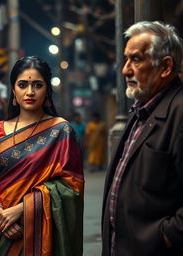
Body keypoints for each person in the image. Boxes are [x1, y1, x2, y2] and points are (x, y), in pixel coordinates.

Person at [0, 56, 84, 256]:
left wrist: (21, 210)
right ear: (13, 91)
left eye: (37, 85)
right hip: (0, 228)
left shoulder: (61, 131)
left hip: (41, 228)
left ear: (47, 92)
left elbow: (72, 186)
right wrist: (0, 215)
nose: (30, 92)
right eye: (23, 85)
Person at [102, 21, 183, 256]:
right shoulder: (142, 108)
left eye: (136, 60)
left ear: (165, 67)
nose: (125, 70)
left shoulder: (179, 113)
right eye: (126, 59)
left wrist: (165, 237)